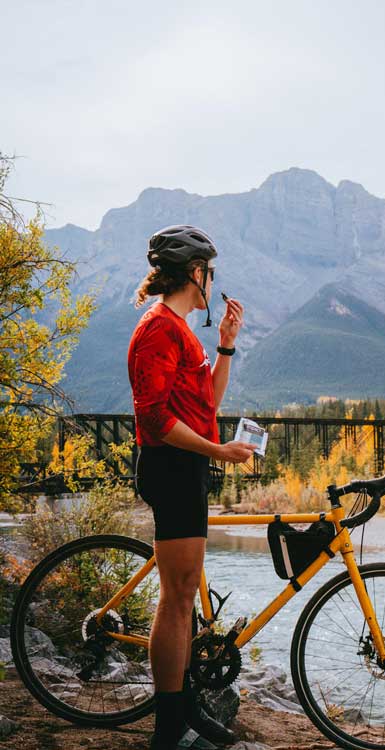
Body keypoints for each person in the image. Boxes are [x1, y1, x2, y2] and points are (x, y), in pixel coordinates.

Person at [128, 225, 255, 750]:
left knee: (181, 596)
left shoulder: (181, 328)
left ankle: (182, 712)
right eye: (209, 272)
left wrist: (225, 346)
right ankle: (168, 730)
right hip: (172, 469)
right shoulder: (158, 328)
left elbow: (205, 403)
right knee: (177, 599)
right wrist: (218, 451)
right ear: (195, 274)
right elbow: (154, 418)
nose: (212, 281)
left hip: (187, 469)